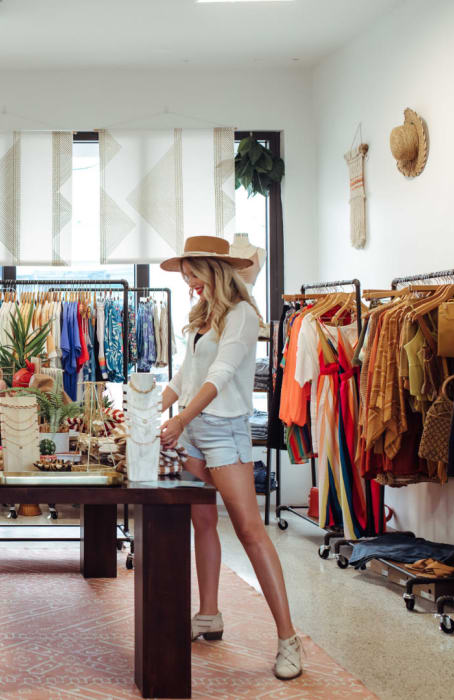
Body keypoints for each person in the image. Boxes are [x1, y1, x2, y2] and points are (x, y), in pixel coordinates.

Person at [159, 235, 302, 680]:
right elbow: (187, 374)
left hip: (223, 432)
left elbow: (220, 376)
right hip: (195, 431)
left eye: (193, 274)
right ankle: (208, 615)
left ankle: (288, 640)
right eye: (185, 277)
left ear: (215, 271)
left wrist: (179, 419)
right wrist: (149, 408)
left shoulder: (242, 316)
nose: (190, 284)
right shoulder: (202, 317)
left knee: (249, 530)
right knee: (201, 521)